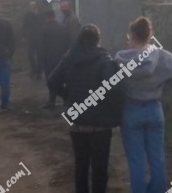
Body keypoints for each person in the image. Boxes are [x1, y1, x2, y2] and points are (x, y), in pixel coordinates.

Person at [47, 25, 124, 193]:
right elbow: (114, 88)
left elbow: (52, 81)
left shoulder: (69, 57)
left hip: (77, 122)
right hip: (100, 124)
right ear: (98, 39)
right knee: (100, 167)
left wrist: (69, 96)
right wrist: (113, 109)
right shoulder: (105, 59)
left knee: (80, 165)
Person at [116, 17, 172, 193]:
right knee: (157, 158)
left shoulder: (120, 59)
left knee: (136, 160)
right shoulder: (162, 56)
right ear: (149, 35)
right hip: (154, 109)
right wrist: (162, 88)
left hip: (131, 109)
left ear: (132, 35)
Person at [39, 9, 71, 108]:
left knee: (51, 79)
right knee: (64, 79)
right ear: (54, 16)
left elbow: (42, 46)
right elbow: (68, 44)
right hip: (62, 58)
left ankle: (52, 101)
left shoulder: (44, 29)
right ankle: (67, 100)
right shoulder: (63, 28)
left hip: (49, 59)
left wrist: (41, 60)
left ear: (47, 17)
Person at [22, 2, 44, 80]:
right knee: (30, 55)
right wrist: (24, 36)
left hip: (39, 37)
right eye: (30, 6)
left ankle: (39, 72)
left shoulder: (40, 14)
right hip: (31, 37)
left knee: (39, 56)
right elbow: (24, 26)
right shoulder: (27, 15)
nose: (31, 7)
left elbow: (43, 24)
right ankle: (33, 70)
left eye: (33, 6)